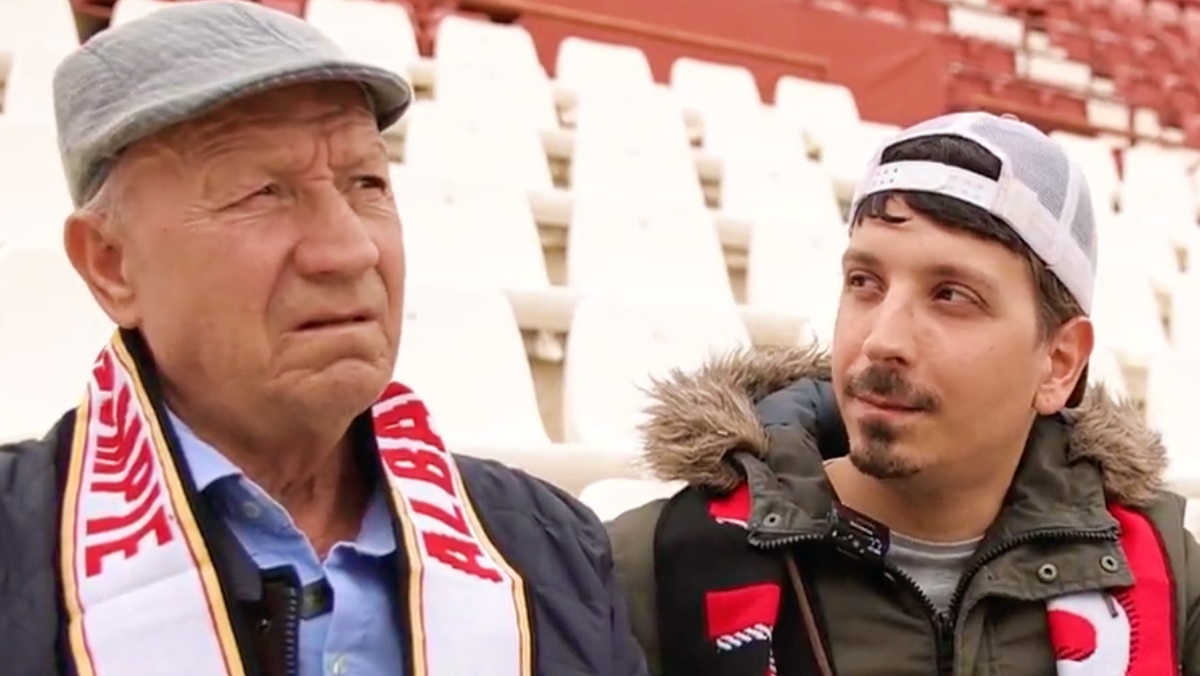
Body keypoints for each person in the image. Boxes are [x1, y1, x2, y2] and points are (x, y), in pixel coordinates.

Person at [0, 3, 649, 675]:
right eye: (262, 192)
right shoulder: (18, 553)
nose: (350, 248)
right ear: (111, 263)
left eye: (366, 182)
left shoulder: (554, 552)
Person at [608, 112, 1200, 675]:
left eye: (951, 296)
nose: (882, 340)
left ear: (1059, 363)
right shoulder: (653, 568)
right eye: (864, 282)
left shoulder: (1169, 577)